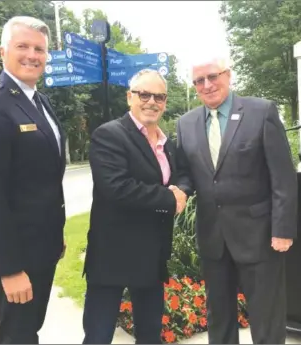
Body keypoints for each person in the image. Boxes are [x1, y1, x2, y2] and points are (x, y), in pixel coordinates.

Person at [175, 56, 297, 344]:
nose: (207, 85)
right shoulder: (186, 123)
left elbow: (283, 177)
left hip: (260, 237)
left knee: (266, 316)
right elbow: (185, 174)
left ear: (228, 75)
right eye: (199, 81)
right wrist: (178, 190)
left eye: (213, 76)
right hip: (213, 239)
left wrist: (283, 230)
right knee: (220, 317)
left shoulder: (261, 111)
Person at [0, 16, 66, 344]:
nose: (32, 55)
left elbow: (44, 179)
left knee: (28, 330)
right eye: (23, 46)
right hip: (17, 254)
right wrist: (8, 267)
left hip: (43, 247)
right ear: (2, 51)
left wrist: (55, 236)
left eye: (40, 49)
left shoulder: (39, 101)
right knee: (16, 336)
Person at [82, 69, 187, 344]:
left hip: (152, 254)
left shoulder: (167, 143)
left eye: (159, 96)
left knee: (150, 334)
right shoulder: (109, 135)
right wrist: (169, 199)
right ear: (130, 97)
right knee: (99, 335)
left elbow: (182, 175)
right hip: (113, 254)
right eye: (144, 94)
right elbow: (117, 187)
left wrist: (182, 192)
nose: (152, 101)